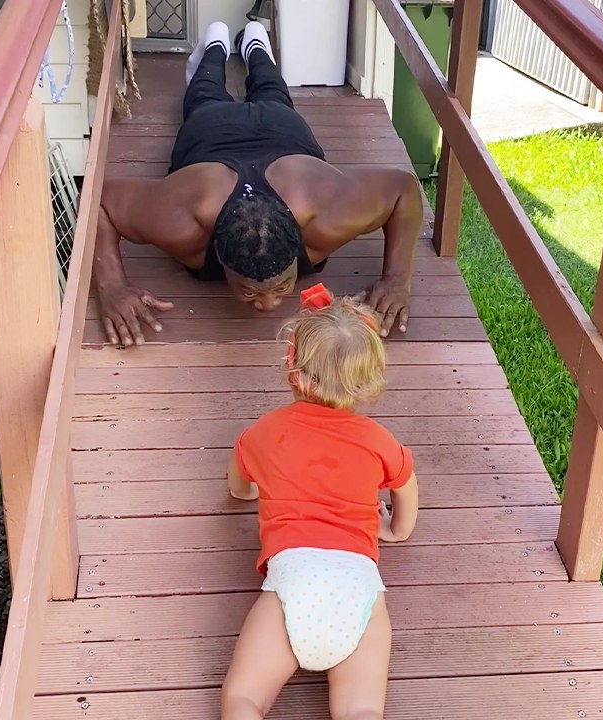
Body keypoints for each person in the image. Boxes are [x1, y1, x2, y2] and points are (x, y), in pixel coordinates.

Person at [93, 21, 423, 346]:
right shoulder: (183, 224)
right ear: (220, 257)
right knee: (204, 98)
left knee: (274, 95)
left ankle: (255, 47)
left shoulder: (327, 214)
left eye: (281, 287)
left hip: (282, 135)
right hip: (213, 135)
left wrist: (396, 280)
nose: (268, 305)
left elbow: (403, 192)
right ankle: (216, 45)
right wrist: (112, 287)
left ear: (299, 247)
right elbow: (102, 201)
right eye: (249, 290)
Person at [221, 282, 420, 719]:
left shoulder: (264, 433)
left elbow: (239, 485)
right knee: (361, 711)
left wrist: (252, 489)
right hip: (360, 587)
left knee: (244, 699)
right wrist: (396, 529)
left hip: (293, 579)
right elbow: (405, 485)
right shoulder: (379, 441)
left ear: (293, 370)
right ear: (367, 380)